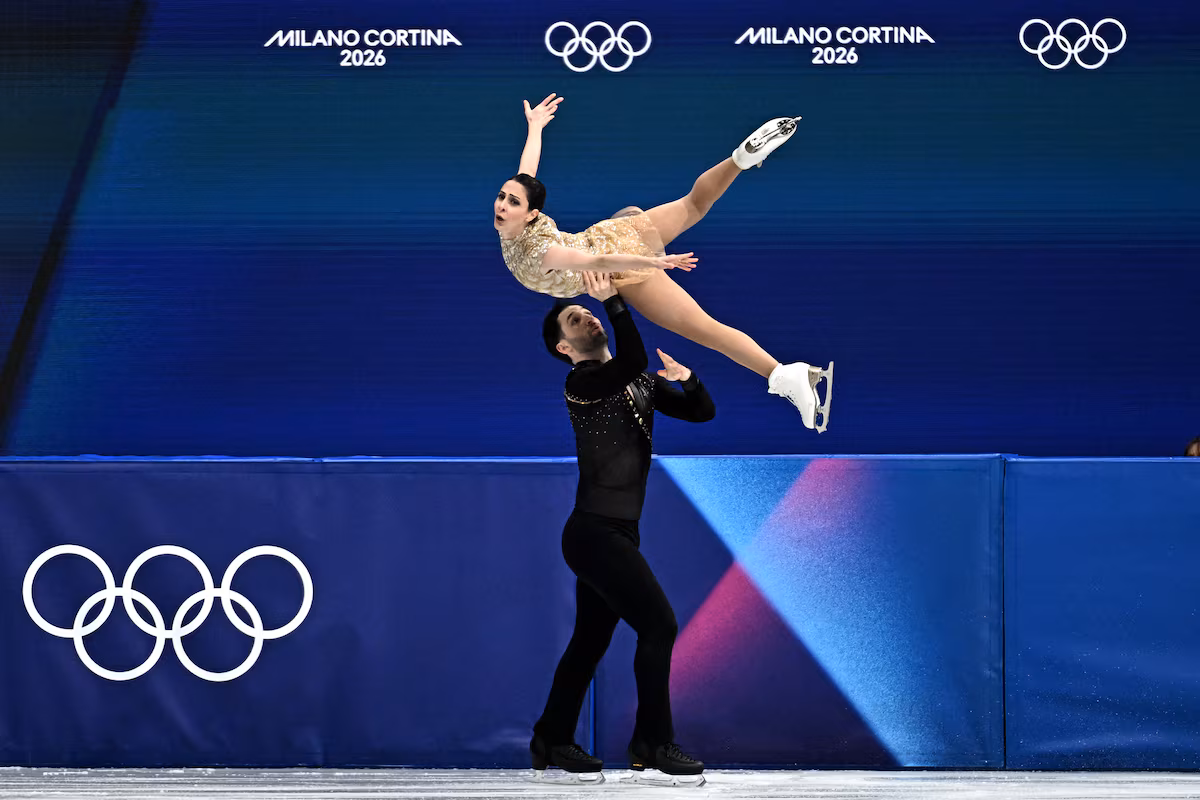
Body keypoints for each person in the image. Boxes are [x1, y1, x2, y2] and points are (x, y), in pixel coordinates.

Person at [496, 93, 833, 433]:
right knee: (695, 204)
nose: (502, 206)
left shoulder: (541, 253)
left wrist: (652, 262)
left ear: (532, 214)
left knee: (705, 329)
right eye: (502, 199)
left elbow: (595, 259)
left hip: (621, 267)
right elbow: (527, 174)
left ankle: (785, 375)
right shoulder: (516, 223)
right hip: (615, 231)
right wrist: (535, 127)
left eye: (510, 201)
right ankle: (740, 159)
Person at [530, 270, 711, 787]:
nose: (584, 313)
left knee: (589, 642)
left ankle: (551, 737)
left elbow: (702, 412)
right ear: (565, 347)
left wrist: (687, 379)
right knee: (659, 626)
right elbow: (630, 358)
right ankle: (652, 742)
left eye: (584, 308)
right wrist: (612, 302)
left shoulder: (638, 383)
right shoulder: (582, 382)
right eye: (574, 317)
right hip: (593, 534)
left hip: (616, 535)